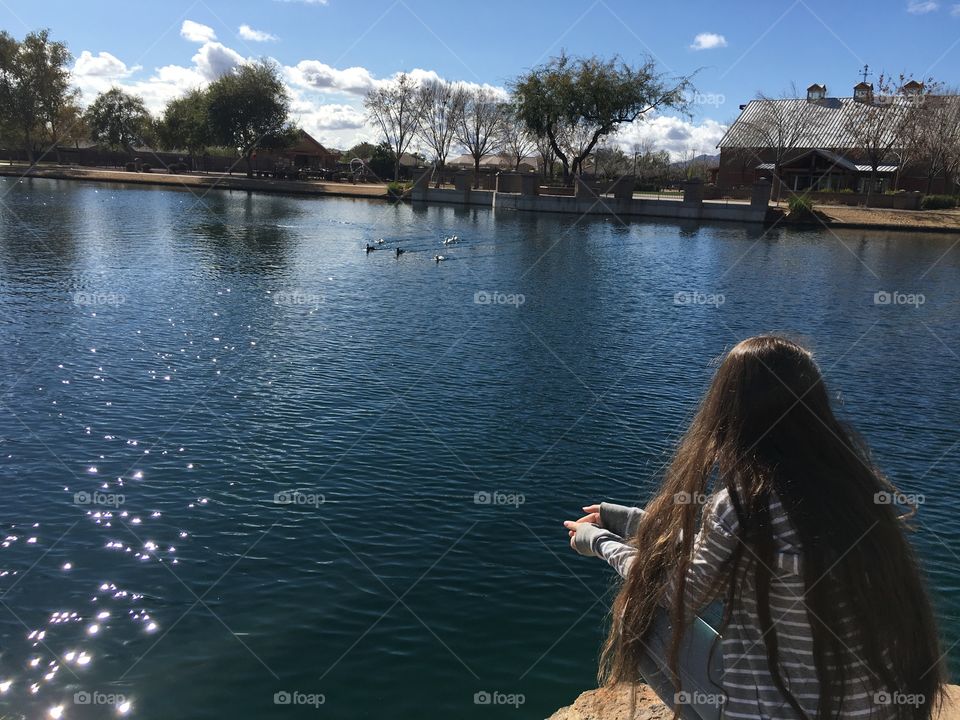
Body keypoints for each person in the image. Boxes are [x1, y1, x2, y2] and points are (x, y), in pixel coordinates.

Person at [563, 335, 944, 720]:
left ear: (729, 410)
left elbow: (672, 593)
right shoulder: (856, 490)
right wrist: (633, 522)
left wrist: (600, 543)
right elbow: (726, 556)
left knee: (638, 610)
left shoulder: (746, 502)